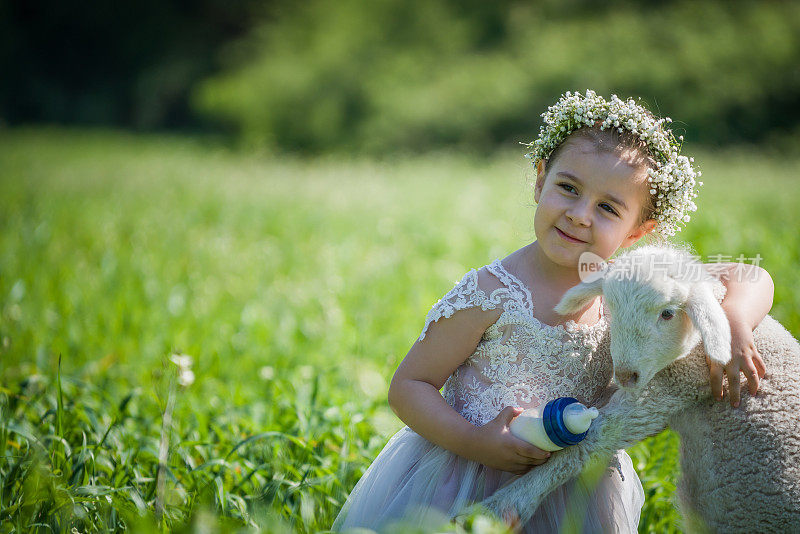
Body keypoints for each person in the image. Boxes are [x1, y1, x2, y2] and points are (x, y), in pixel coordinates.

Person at [331, 91, 773, 533]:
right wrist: (473, 442)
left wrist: (734, 320)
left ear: (639, 229)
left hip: (574, 487)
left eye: (607, 208)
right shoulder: (492, 293)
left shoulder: (631, 285)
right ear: (540, 179)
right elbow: (410, 385)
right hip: (466, 477)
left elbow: (751, 276)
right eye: (568, 188)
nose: (579, 215)